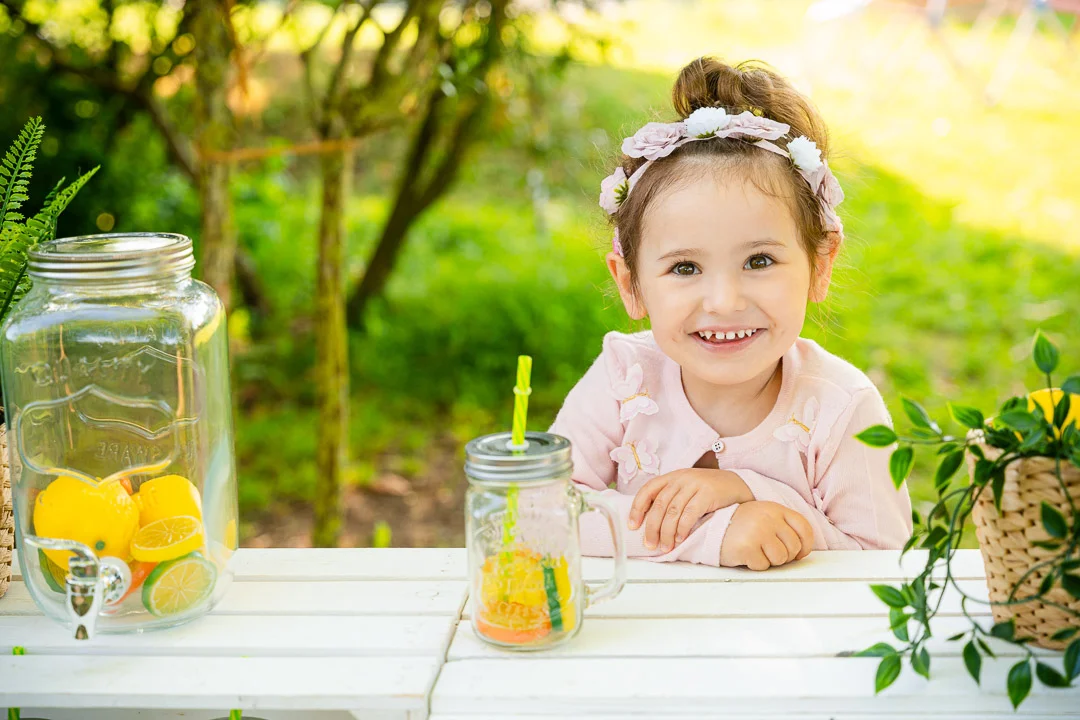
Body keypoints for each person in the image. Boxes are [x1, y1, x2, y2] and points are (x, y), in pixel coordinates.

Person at [549, 57, 912, 571]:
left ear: (820, 263)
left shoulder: (840, 409)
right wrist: (714, 533)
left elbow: (883, 565)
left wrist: (747, 491)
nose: (723, 300)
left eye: (758, 261)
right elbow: (543, 508)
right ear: (631, 284)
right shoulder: (624, 379)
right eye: (684, 267)